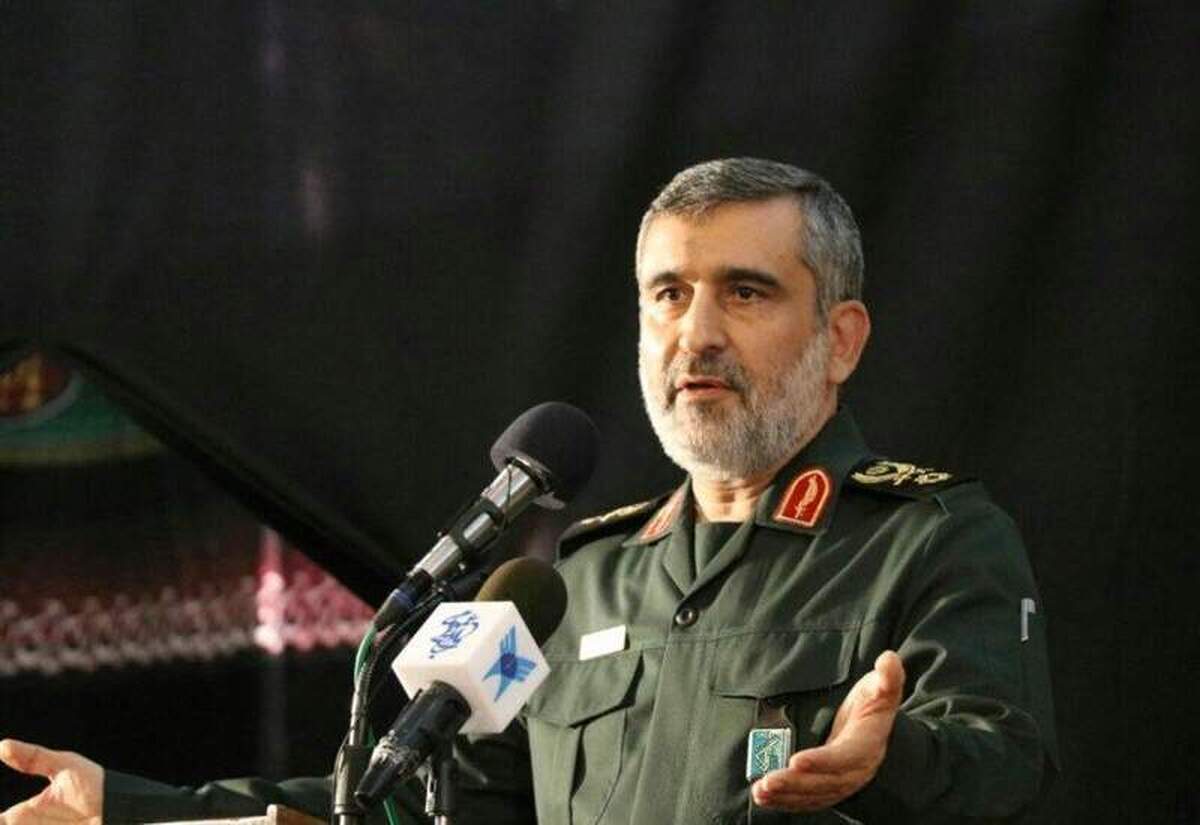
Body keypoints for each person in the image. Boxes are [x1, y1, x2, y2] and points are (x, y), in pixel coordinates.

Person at [1, 158, 1058, 824]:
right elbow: (429, 798)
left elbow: (1005, 770)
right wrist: (135, 810)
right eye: (668, 294)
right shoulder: (578, 581)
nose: (696, 333)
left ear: (841, 339)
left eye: (745, 292)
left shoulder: (930, 540)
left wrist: (890, 760)